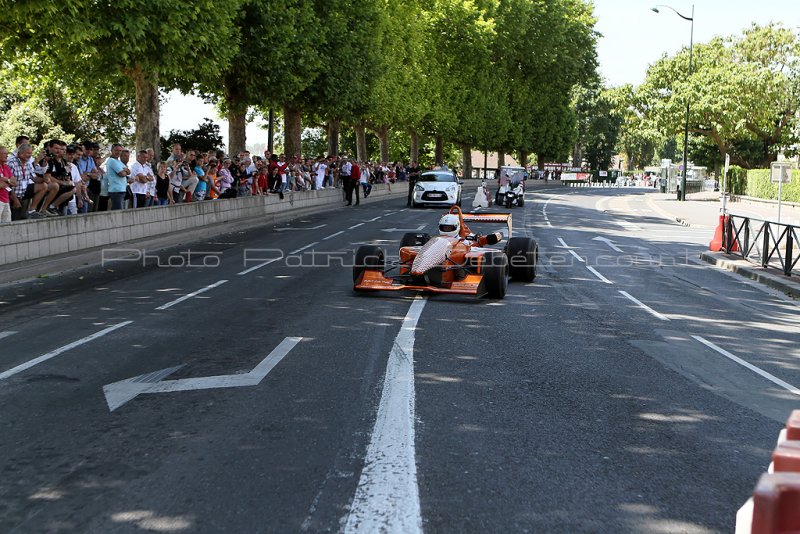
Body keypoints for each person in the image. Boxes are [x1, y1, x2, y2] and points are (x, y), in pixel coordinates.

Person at [0, 146, 16, 223]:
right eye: (4, 153)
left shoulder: (5, 167)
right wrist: (8, 182)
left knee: (7, 226)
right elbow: (1, 185)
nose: (7, 155)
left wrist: (7, 180)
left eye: (7, 153)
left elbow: (15, 183)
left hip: (6, 200)